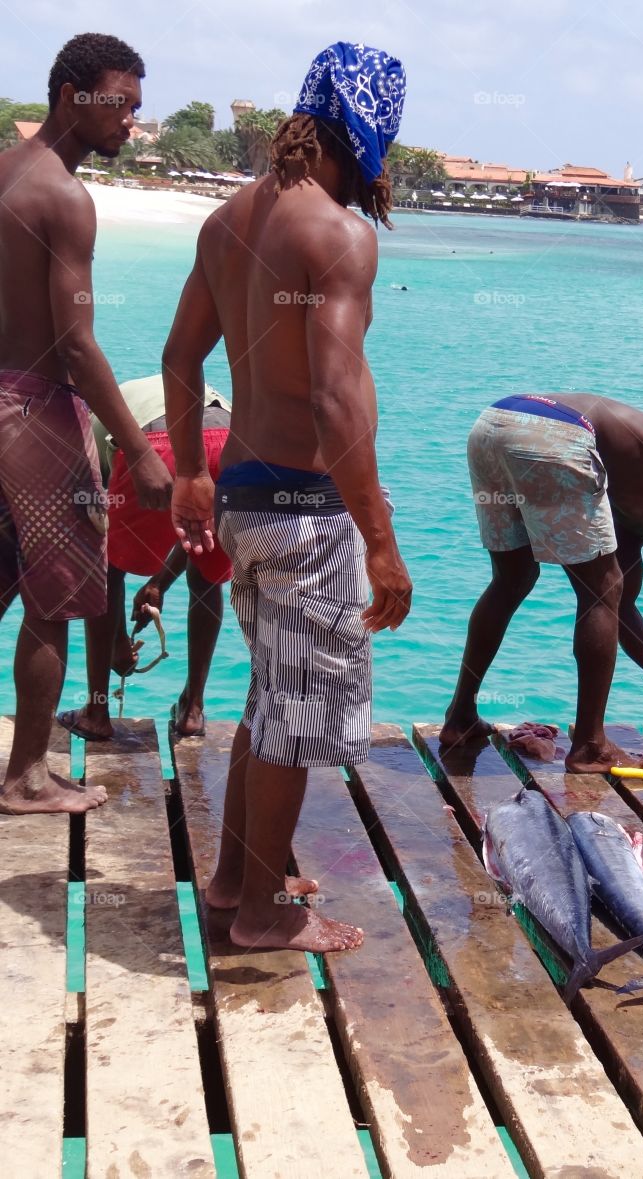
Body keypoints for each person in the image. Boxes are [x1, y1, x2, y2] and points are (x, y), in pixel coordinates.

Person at [164, 43, 412, 954]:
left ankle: (237, 879)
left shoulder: (230, 218)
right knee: (298, 717)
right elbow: (336, 397)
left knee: (272, 698)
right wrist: (379, 540)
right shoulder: (339, 236)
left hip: (242, 495)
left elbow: (180, 357)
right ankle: (265, 914)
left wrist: (192, 470)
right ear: (368, 129)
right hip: (308, 511)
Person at [0, 34, 171, 815]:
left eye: (136, 108)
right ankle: (26, 775)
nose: (131, 123)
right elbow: (74, 342)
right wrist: (139, 449)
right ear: (72, 94)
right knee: (55, 597)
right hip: (35, 410)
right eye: (120, 104)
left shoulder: (5, 169)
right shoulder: (65, 197)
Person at [439, 394, 643, 772]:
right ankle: (589, 746)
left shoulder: (640, 490)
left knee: (513, 578)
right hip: (558, 434)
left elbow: (619, 608)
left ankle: (460, 716)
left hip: (495, 423)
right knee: (598, 591)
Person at [57, 374, 232, 741]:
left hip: (159, 442)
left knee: (106, 569)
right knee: (206, 574)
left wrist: (118, 645)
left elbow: (103, 553)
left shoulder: (89, 427)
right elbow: (193, 533)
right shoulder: (135, 392)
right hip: (229, 443)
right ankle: (192, 710)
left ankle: (96, 711)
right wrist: (158, 584)